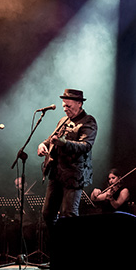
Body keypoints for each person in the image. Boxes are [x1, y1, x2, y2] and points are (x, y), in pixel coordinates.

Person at [37, 89, 97, 229]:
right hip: (56, 174)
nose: (65, 109)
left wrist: (63, 143)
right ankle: (57, 245)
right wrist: (42, 145)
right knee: (47, 213)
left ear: (79, 103)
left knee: (68, 215)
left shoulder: (88, 121)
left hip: (73, 176)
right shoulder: (63, 121)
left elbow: (85, 146)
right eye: (64, 105)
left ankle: (70, 249)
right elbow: (51, 138)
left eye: (68, 106)